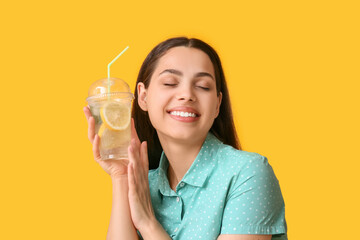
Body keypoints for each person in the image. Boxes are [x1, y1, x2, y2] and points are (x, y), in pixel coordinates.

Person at [84, 37, 287, 240]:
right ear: (143, 97)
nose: (186, 94)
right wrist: (121, 177)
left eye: (203, 86)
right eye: (170, 82)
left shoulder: (248, 173)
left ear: (217, 104)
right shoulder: (145, 184)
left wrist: (148, 223)